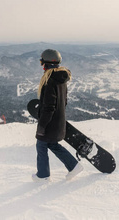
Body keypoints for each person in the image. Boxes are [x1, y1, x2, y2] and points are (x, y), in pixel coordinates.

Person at [32, 49, 83, 182]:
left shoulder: (49, 81)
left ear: (46, 64)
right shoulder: (61, 79)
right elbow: (63, 102)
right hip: (58, 121)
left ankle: (43, 176)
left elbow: (49, 107)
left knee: (41, 145)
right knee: (52, 144)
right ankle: (73, 166)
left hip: (50, 123)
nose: (41, 66)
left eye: (42, 62)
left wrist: (42, 126)